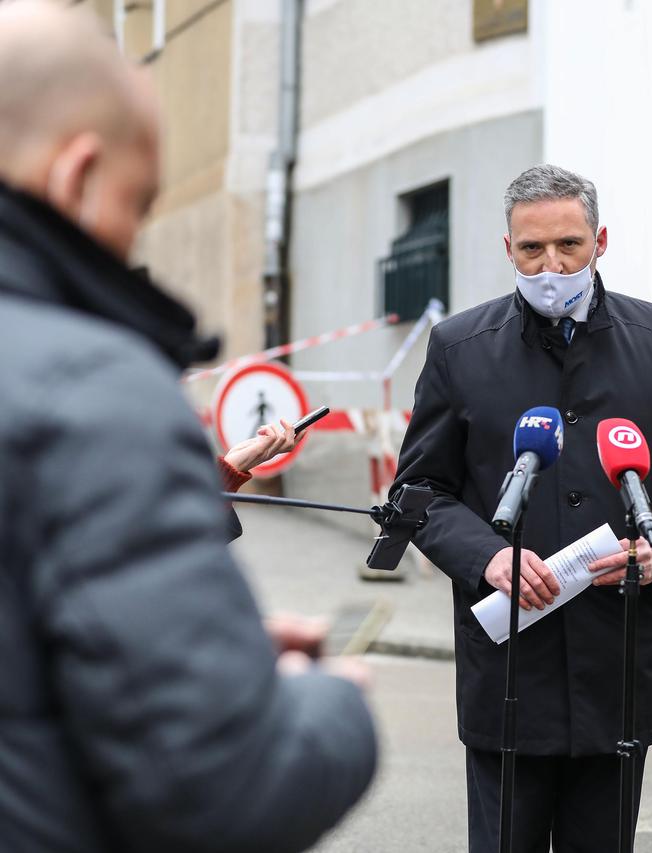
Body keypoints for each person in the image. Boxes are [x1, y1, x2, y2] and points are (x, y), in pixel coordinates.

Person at [0, 3, 377, 850]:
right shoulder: (93, 386)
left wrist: (188, 638)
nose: (132, 244)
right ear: (76, 175)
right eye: (137, 205)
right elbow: (228, 788)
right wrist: (329, 704)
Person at [391, 163, 652, 851]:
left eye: (569, 245)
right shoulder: (458, 348)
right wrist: (488, 558)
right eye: (532, 249)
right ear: (507, 248)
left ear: (600, 241)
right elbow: (419, 494)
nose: (552, 266)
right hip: (510, 664)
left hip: (617, 654)